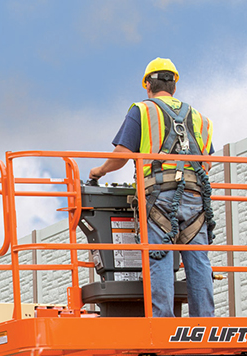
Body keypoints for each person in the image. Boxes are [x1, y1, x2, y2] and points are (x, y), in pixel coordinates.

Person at [89, 58, 216, 318]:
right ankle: (205, 322)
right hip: (194, 196)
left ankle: (163, 324)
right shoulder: (199, 118)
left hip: (160, 197)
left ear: (148, 84)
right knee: (198, 259)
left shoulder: (142, 110)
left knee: (158, 256)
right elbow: (208, 163)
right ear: (174, 87)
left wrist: (99, 171)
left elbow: (122, 153)